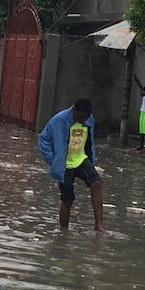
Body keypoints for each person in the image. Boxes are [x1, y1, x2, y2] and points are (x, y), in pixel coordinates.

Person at [38, 98, 105, 232]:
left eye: (86, 117)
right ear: (74, 111)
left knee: (96, 184)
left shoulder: (89, 120)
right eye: (81, 117)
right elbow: (43, 139)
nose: (83, 120)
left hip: (81, 159)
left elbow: (89, 140)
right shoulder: (58, 120)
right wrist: (53, 160)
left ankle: (99, 225)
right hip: (65, 164)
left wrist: (91, 158)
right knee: (67, 200)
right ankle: (63, 231)